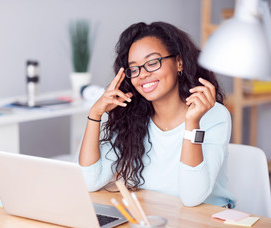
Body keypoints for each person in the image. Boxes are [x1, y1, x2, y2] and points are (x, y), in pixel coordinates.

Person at [78, 21, 236, 208]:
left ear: (179, 62)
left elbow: (192, 197)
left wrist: (192, 123)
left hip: (204, 223)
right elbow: (89, 181)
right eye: (134, 68)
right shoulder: (132, 117)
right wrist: (95, 114)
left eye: (152, 63)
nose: (142, 74)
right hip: (153, 218)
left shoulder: (213, 115)